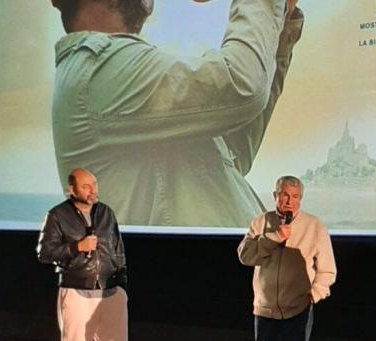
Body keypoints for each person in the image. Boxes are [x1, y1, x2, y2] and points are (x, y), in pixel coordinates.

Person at [49, 0, 303, 227]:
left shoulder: (114, 75)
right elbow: (242, 85)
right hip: (193, 276)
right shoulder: (96, 69)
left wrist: (279, 27)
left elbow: (232, 153)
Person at [236, 175, 337, 341]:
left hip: (298, 308)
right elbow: (245, 256)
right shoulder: (261, 223)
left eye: (293, 196)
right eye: (283, 195)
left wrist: (314, 295)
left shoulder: (314, 226)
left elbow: (327, 269)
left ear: (300, 199)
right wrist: (273, 237)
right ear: (275, 195)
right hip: (265, 308)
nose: (288, 201)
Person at [36, 168, 141, 341]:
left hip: (111, 292)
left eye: (94, 184)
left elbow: (118, 250)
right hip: (76, 291)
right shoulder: (57, 215)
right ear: (71, 189)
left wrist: (123, 286)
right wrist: (76, 247)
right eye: (86, 186)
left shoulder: (106, 212)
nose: (92, 190)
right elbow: (44, 252)